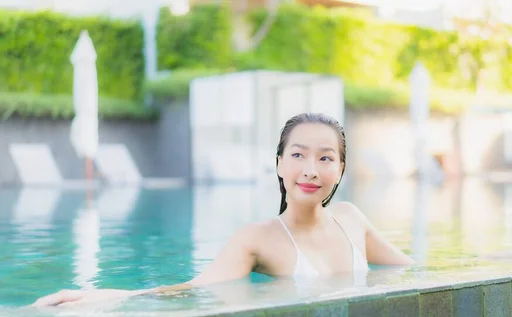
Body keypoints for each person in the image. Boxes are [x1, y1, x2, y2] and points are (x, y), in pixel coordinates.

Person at [33, 113, 414, 307]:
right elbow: (191, 290)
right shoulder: (259, 239)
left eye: (325, 158)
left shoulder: (351, 218)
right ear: (279, 163)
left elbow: (409, 272)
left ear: (341, 169)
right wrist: (100, 298)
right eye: (298, 155)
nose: (311, 170)